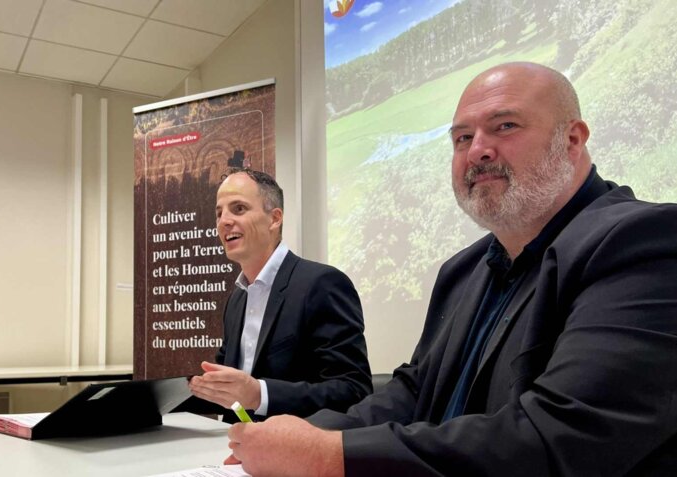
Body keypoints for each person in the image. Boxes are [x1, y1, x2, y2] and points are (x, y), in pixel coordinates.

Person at [223, 63, 677, 476]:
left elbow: (565, 436)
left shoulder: (644, 242)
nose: (477, 150)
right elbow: (412, 392)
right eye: (462, 138)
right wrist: (306, 436)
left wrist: (331, 454)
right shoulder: (464, 270)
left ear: (572, 140)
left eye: (504, 126)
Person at [185, 168, 373, 421]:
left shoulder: (322, 284)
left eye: (238, 209)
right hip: (234, 441)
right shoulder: (237, 299)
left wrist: (260, 394)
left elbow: (352, 391)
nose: (224, 221)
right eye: (219, 213)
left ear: (274, 219)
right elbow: (226, 390)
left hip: (295, 443)